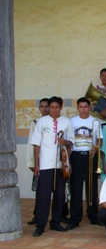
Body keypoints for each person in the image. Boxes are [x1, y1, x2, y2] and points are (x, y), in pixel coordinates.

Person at [30, 96, 75, 236]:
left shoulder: (66, 121)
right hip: (45, 164)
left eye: (57, 107)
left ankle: (55, 221)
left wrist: (65, 141)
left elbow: (72, 142)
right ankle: (40, 223)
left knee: (59, 195)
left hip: (61, 164)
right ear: (49, 107)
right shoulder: (41, 122)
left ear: (61, 107)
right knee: (43, 195)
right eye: (52, 107)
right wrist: (36, 164)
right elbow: (36, 144)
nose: (54, 110)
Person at [66, 97, 103, 230]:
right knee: (76, 187)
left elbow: (100, 140)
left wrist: (96, 147)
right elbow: (69, 142)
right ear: (77, 108)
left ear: (89, 108)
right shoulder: (72, 122)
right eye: (80, 107)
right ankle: (75, 218)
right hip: (76, 156)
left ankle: (93, 216)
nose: (83, 109)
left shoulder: (95, 121)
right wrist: (68, 161)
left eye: (85, 107)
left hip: (90, 156)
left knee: (91, 187)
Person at [27, 98, 50, 226]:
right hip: (40, 162)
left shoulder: (57, 122)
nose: (45, 109)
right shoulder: (35, 123)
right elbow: (32, 143)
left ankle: (62, 214)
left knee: (59, 191)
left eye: (47, 106)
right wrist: (32, 163)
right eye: (42, 106)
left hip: (54, 162)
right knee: (40, 190)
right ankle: (38, 215)